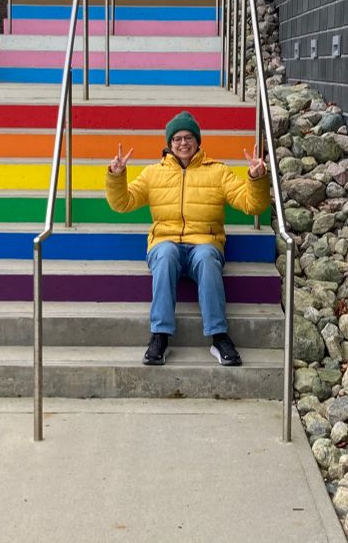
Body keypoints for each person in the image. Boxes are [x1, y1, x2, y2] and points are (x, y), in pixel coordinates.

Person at [105, 110, 269, 367]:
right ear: (169, 144)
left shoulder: (217, 171)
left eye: (189, 137)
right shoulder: (153, 173)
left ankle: (218, 336)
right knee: (166, 253)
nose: (183, 143)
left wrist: (256, 179)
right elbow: (122, 202)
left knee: (205, 256)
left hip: (204, 242)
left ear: (198, 141)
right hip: (165, 242)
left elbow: (252, 205)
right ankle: (160, 336)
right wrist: (116, 176)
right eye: (177, 138)